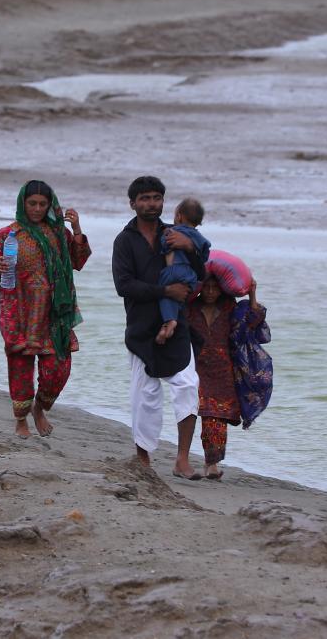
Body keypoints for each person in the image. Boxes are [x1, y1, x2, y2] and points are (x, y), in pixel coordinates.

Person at [112, 176, 208, 480]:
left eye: (156, 198)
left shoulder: (175, 233)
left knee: (188, 384)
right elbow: (123, 285)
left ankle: (182, 460)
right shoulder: (124, 241)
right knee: (145, 395)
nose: (151, 204)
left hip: (177, 324)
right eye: (144, 198)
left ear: (164, 202)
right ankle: (143, 458)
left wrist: (190, 248)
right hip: (141, 328)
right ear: (133, 204)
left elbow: (200, 273)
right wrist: (164, 292)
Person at [0, 181, 91, 438]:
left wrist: (76, 228)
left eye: (43, 204)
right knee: (20, 365)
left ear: (50, 205)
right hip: (19, 313)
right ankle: (21, 419)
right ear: (23, 203)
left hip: (54, 315)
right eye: (32, 203)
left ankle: (40, 407)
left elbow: (78, 261)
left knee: (58, 369)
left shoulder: (59, 235)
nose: (37, 209)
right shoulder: (7, 234)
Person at [186, 275, 267, 479]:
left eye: (215, 288)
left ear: (221, 289)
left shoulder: (231, 309)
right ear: (200, 288)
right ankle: (201, 462)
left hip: (223, 370)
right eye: (207, 287)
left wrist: (252, 293)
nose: (211, 292)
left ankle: (211, 463)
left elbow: (254, 319)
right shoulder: (191, 308)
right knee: (202, 413)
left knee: (217, 416)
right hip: (197, 368)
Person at [155, 197, 210, 345]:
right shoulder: (199, 237)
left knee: (163, 292)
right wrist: (192, 247)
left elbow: (165, 246)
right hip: (190, 276)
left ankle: (170, 320)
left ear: (179, 216)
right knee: (177, 296)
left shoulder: (172, 231)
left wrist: (164, 239)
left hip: (173, 271)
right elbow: (205, 253)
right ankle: (170, 322)